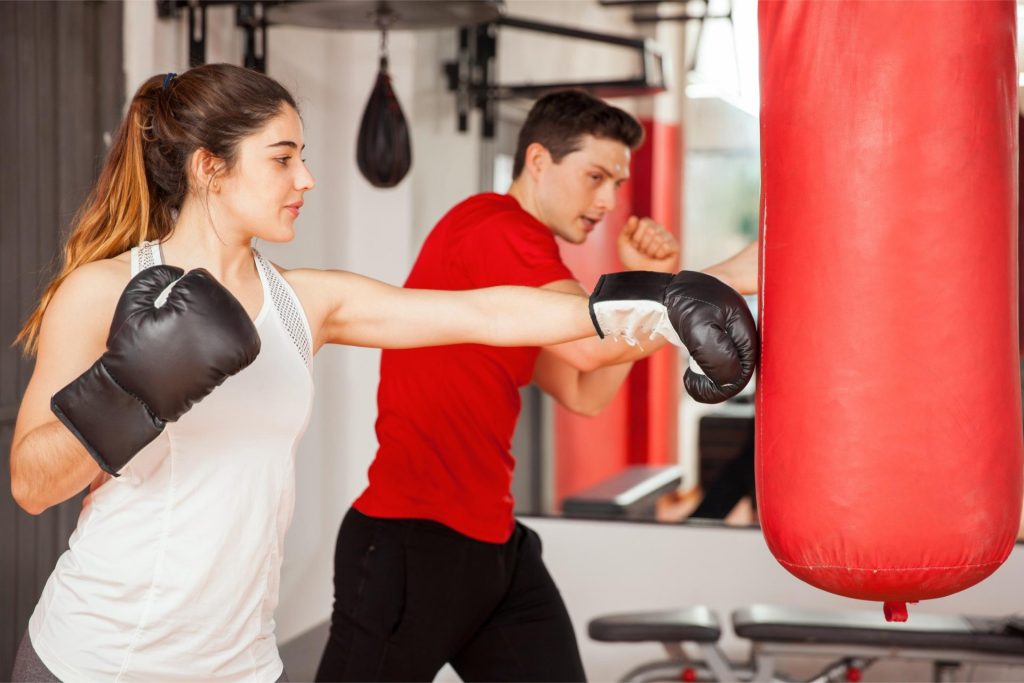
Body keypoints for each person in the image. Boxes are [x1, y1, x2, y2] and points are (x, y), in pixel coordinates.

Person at [8, 66, 755, 682]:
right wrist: (131, 388)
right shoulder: (104, 291)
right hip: (98, 655)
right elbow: (32, 484)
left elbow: (487, 316)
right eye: (282, 157)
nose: (305, 177)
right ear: (210, 167)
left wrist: (652, 299)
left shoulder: (306, 302)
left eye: (302, 155)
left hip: (238, 663)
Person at [315, 91, 760, 682]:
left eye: (616, 183)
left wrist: (650, 285)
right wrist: (731, 276)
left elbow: (585, 390)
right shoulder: (495, 228)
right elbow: (588, 343)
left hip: (492, 546)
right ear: (539, 161)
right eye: (595, 176)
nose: (607, 201)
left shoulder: (526, 254)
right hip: (413, 541)